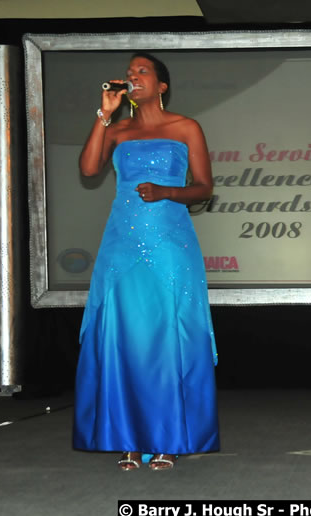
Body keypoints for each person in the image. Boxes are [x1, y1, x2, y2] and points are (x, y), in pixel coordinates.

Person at [72, 52, 219, 471]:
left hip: (170, 240)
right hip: (122, 241)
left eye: (142, 71)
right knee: (124, 335)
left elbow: (205, 188)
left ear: (161, 85)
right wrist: (104, 115)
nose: (132, 76)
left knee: (166, 336)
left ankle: (169, 439)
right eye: (129, 72)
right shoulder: (116, 130)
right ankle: (129, 440)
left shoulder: (186, 127)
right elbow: (87, 168)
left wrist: (169, 192)